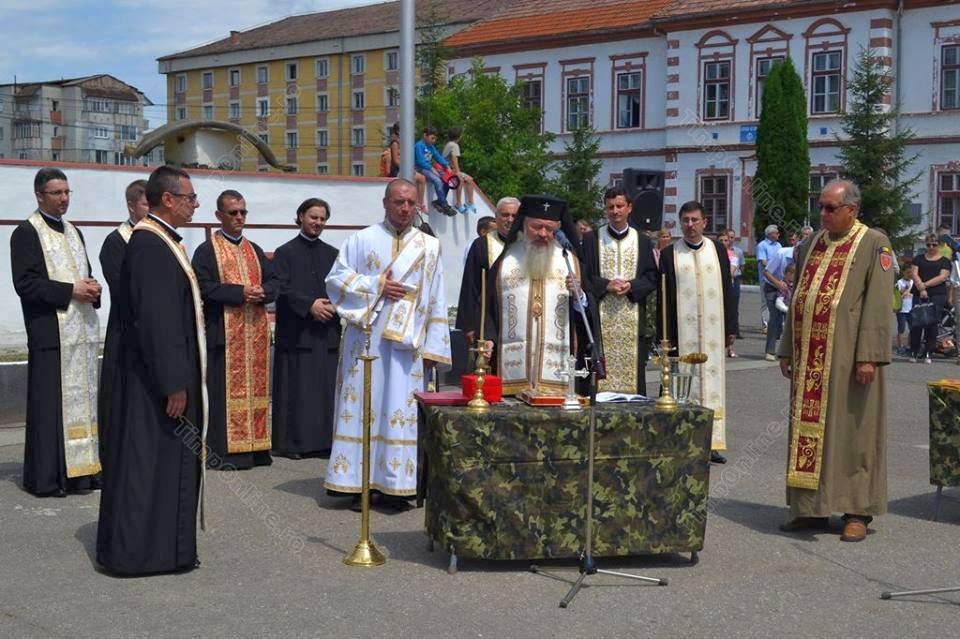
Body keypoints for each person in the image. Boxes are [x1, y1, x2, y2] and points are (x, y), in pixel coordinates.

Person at [97, 166, 205, 575]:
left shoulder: (160, 241)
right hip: (156, 383)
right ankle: (146, 552)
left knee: (160, 463)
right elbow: (156, 321)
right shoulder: (150, 244)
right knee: (149, 463)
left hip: (158, 376)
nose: (195, 205)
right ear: (169, 200)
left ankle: (165, 548)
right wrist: (174, 382)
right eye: (191, 198)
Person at [778, 179, 894, 542]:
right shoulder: (813, 242)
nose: (822, 213)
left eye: (830, 208)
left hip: (849, 359)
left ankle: (857, 510)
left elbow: (877, 304)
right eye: (821, 206)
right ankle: (810, 508)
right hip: (810, 358)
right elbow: (799, 297)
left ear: (852, 210)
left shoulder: (874, 243)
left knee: (853, 434)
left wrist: (870, 357)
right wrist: (785, 348)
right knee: (810, 436)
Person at [324, 179, 451, 510]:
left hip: (407, 350)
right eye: (399, 202)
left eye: (411, 203)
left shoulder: (430, 246)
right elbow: (335, 281)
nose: (405, 208)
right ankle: (357, 483)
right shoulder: (361, 239)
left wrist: (434, 350)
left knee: (399, 409)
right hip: (365, 343)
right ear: (385, 202)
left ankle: (396, 484)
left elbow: (437, 298)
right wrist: (376, 285)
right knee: (365, 408)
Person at [11, 168, 102, 497]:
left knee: (85, 404)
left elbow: (84, 272)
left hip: (81, 333)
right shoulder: (26, 232)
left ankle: (84, 473)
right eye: (56, 193)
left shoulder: (73, 231)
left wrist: (92, 288)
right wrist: (71, 291)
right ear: (39, 196)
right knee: (51, 409)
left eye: (67, 192)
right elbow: (26, 284)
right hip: (52, 334)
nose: (64, 198)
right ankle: (50, 478)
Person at [191, 190, 278, 470]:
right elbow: (203, 287)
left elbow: (276, 280)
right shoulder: (207, 250)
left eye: (243, 212)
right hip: (224, 336)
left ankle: (257, 447)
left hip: (255, 334)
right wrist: (240, 292)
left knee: (258, 392)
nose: (239, 217)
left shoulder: (253, 249)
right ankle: (224, 452)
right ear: (219, 216)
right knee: (222, 394)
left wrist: (264, 291)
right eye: (233, 213)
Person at [482, 194, 600, 397]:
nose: (543, 233)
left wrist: (579, 294)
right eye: (537, 227)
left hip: (559, 377)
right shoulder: (505, 262)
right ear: (524, 224)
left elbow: (588, 315)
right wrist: (488, 338)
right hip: (512, 374)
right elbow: (488, 306)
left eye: (550, 229)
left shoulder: (570, 262)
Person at [658, 201, 737, 463]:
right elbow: (663, 299)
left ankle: (711, 442)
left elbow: (728, 289)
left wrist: (731, 327)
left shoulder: (717, 250)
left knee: (713, 385)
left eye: (694, 220)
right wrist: (663, 335)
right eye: (685, 221)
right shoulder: (670, 254)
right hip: (681, 334)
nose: (690, 226)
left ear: (705, 221)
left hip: (713, 334)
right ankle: (679, 440)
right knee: (681, 383)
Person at [271, 198, 341, 459]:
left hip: (326, 332)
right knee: (297, 391)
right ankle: (294, 444)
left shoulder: (333, 254)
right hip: (297, 333)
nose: (318, 223)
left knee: (324, 390)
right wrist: (309, 305)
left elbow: (340, 286)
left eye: (322, 219)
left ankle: (325, 442)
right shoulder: (285, 252)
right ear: (301, 216)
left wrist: (334, 305)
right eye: (313, 217)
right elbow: (279, 288)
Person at [583, 187, 657, 394]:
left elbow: (651, 277)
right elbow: (583, 277)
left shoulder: (642, 240)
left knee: (633, 379)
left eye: (619, 206)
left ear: (629, 208)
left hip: (632, 319)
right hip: (600, 319)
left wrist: (631, 286)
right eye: (610, 207)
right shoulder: (591, 240)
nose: (615, 211)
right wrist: (606, 285)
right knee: (596, 383)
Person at [98, 179, 149, 463]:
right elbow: (122, 289)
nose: (150, 209)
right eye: (145, 204)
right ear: (131, 205)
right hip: (127, 331)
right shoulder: (116, 241)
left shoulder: (157, 237)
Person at [456, 197, 519, 347]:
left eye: (514, 215)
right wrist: (469, 325)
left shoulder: (526, 244)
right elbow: (470, 285)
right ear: (496, 216)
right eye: (505, 215)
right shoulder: (481, 245)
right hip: (489, 320)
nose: (509, 219)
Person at [910, 233, 951, 364]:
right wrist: (921, 288)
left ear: (939, 245)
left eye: (934, 244)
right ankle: (914, 351)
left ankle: (929, 352)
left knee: (932, 324)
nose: (931, 247)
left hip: (937, 294)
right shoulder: (918, 258)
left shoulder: (945, 261)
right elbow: (914, 273)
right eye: (928, 244)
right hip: (919, 294)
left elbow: (943, 277)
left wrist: (925, 286)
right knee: (916, 323)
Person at [762, 244, 796, 361]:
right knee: (775, 317)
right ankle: (770, 351)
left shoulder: (804, 256)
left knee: (790, 320)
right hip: (772, 286)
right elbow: (766, 272)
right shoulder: (781, 253)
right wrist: (779, 284)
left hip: (790, 289)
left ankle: (787, 352)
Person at [414, 126, 457, 216]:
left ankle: (440, 201)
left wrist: (446, 165)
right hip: (420, 168)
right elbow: (420, 161)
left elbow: (438, 156)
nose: (434, 141)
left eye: (435, 139)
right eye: (432, 138)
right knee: (437, 180)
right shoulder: (419, 146)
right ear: (425, 135)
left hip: (428, 168)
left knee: (448, 179)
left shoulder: (431, 147)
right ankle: (444, 205)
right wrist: (432, 169)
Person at [442, 126, 476, 214]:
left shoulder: (449, 144)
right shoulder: (454, 145)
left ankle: (470, 202)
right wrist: (457, 172)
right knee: (459, 179)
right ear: (459, 136)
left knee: (470, 180)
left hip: (449, 169)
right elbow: (454, 159)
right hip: (447, 170)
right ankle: (458, 203)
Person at [895, 264, 915, 355]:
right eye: (907, 272)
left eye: (911, 272)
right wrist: (906, 290)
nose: (909, 274)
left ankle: (909, 346)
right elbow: (900, 294)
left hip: (911, 309)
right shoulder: (899, 282)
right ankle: (900, 346)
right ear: (903, 272)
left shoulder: (914, 282)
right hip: (902, 309)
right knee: (901, 328)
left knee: (912, 328)